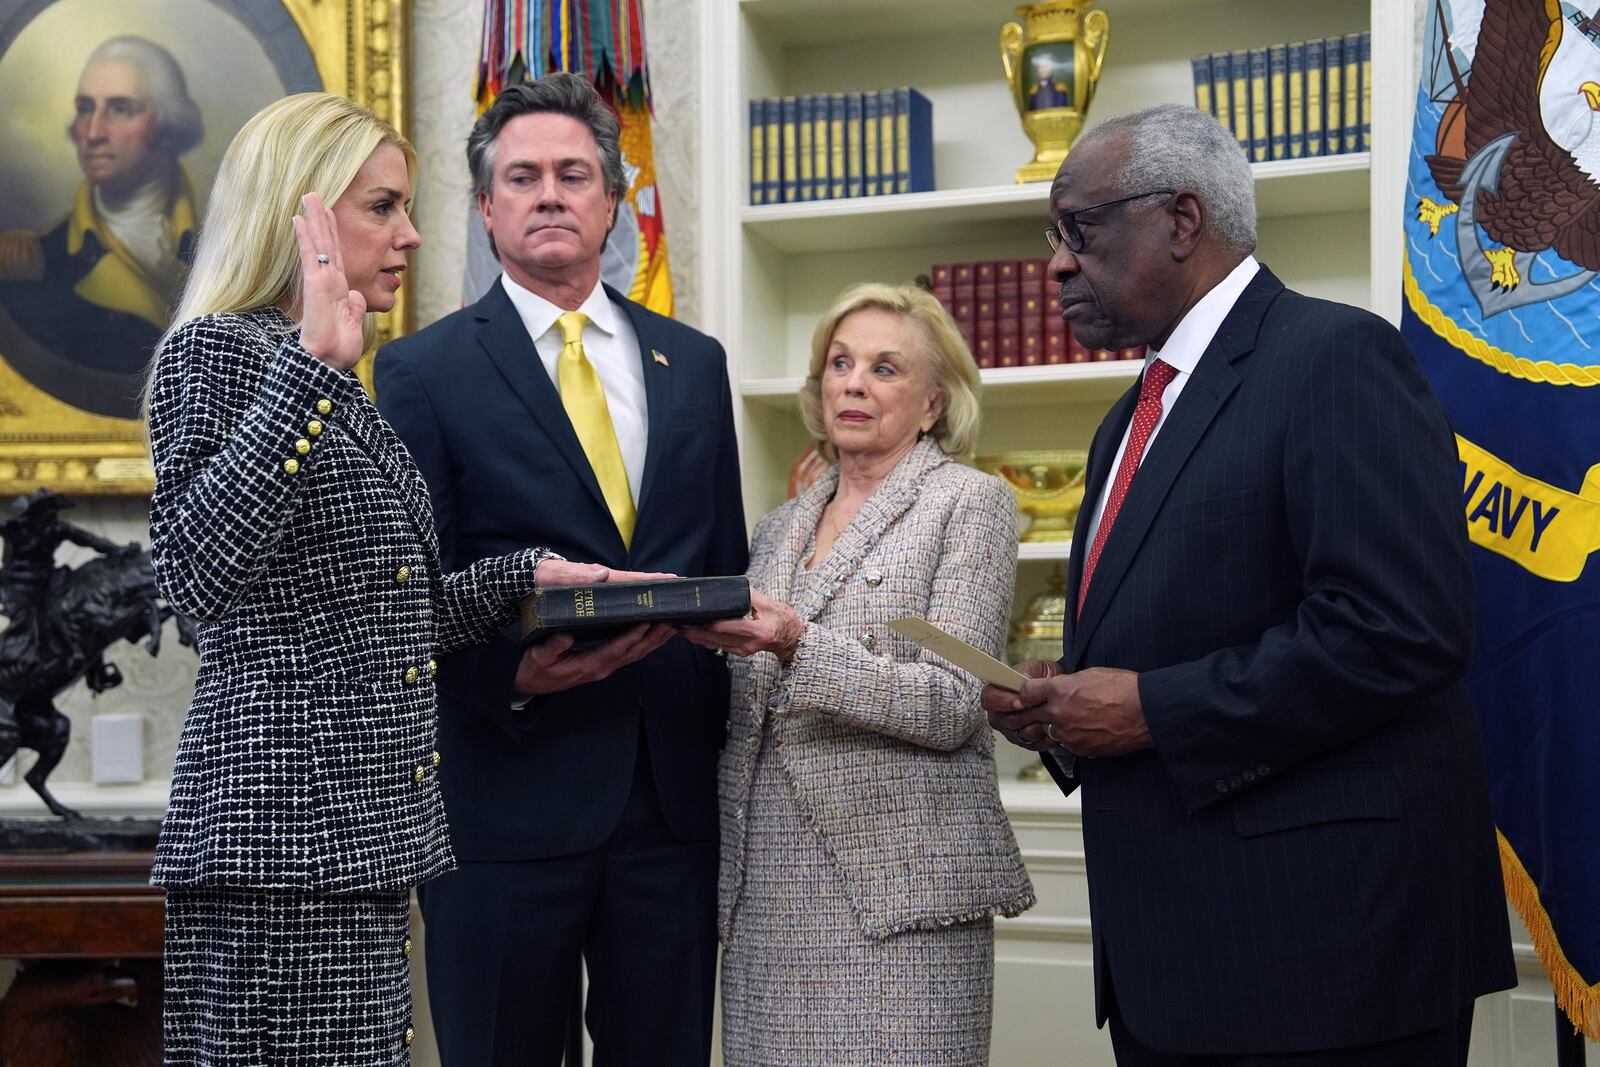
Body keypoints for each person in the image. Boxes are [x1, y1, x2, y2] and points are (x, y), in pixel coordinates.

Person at [983, 103, 1516, 1066]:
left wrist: (1150, 710)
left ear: (1183, 221)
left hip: (1327, 961)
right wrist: (1066, 702)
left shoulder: (1334, 357)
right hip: (1173, 967)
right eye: (1054, 236)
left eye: (1080, 229)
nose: (1056, 263)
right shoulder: (1123, 423)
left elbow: (1400, 629)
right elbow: (1180, 634)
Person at [144, 92, 613, 1065]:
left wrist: (521, 575)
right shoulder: (222, 353)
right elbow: (196, 576)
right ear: (302, 217)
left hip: (360, 845)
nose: (411, 234)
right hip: (275, 852)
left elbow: (378, 614)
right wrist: (313, 367)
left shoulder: (330, 376)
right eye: (383, 207)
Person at [374, 73, 746, 1066]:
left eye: (574, 174)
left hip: (668, 803)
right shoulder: (420, 371)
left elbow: (722, 558)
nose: (549, 194)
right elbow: (406, 596)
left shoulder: (694, 360)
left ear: (611, 201)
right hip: (501, 795)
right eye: (523, 176)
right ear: (487, 208)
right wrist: (509, 675)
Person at [678, 282, 1034, 1066]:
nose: (853, 383)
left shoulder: (970, 504)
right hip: (766, 891)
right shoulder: (778, 526)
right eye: (840, 363)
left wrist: (800, 643)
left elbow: (951, 702)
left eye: (884, 368)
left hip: (898, 897)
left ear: (935, 403)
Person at [0, 36, 202, 419]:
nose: (92, 133)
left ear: (167, 127)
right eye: (84, 109)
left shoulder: (226, 252)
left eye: (120, 110)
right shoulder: (28, 266)